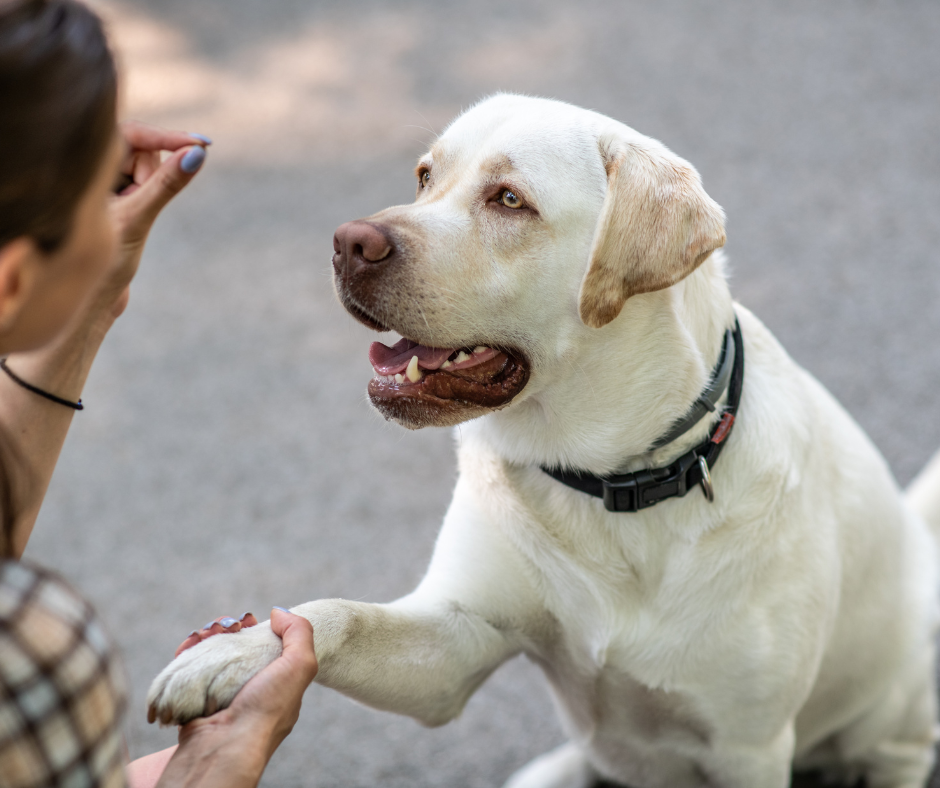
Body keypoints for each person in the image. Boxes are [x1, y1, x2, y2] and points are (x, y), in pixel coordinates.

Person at [0, 1, 319, 786]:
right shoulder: (30, 649)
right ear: (13, 277)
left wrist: (89, 301)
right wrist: (217, 765)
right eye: (89, 201)